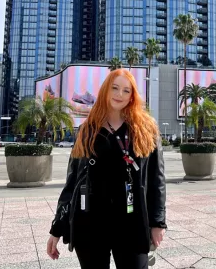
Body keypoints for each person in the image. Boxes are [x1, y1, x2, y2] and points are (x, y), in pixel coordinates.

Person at [47, 69, 166, 269]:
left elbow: (157, 180)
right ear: (105, 90)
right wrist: (56, 228)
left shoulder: (146, 130)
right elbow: (72, 182)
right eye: (115, 88)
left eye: (126, 91)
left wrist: (158, 223)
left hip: (132, 222)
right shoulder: (88, 130)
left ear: (132, 96)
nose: (119, 94)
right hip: (90, 223)